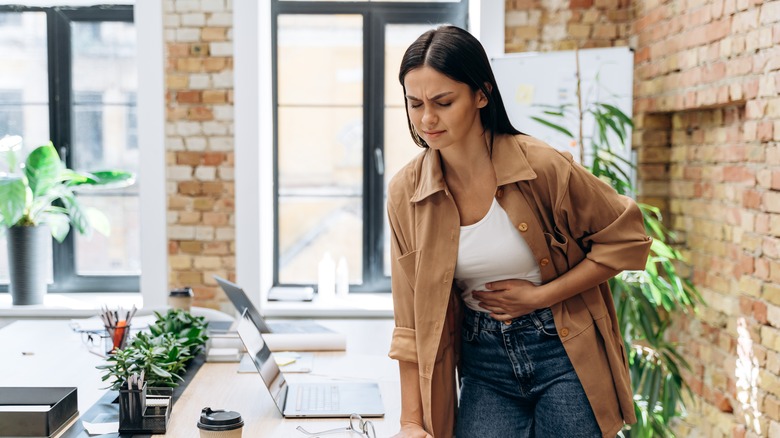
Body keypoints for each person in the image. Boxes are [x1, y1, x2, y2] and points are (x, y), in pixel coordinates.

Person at [386, 25, 652, 438]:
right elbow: (410, 323)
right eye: (414, 103)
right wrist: (409, 422)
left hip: (563, 352)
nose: (426, 119)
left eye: (443, 101)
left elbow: (627, 240)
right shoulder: (406, 194)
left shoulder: (543, 167)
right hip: (483, 361)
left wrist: (540, 296)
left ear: (481, 94)